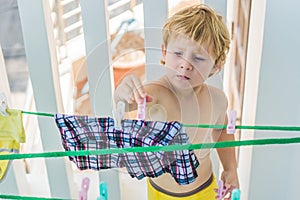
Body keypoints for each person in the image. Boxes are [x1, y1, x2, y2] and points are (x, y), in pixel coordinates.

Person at [114, 3, 239, 200]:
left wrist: (231, 168)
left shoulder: (217, 100)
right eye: (178, 54)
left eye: (198, 58)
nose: (185, 64)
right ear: (164, 52)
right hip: (160, 193)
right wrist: (123, 90)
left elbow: (222, 130)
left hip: (205, 190)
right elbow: (124, 104)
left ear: (216, 66)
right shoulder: (153, 95)